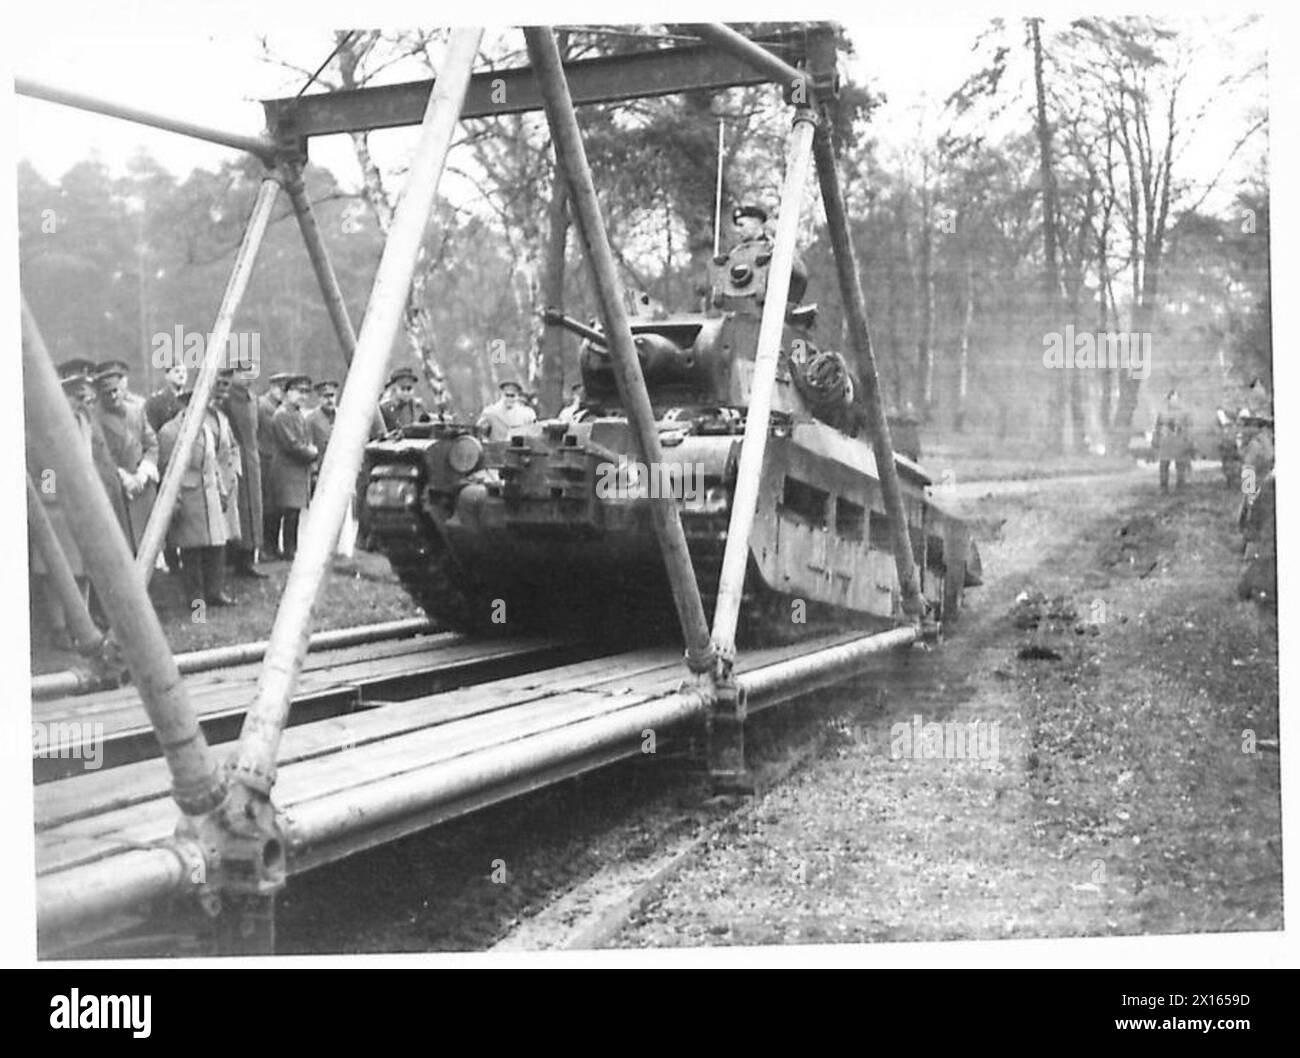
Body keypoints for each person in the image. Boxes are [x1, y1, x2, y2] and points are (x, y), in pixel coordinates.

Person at [158, 387, 239, 609]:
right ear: (184, 406)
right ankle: (196, 601)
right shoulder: (169, 432)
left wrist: (221, 490)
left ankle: (215, 592)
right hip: (188, 497)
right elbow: (166, 470)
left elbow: (212, 463)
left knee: (216, 547)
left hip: (210, 494)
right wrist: (174, 501)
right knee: (192, 552)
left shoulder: (204, 428)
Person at [92, 359, 159, 553]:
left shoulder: (136, 411)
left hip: (142, 491)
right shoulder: (94, 417)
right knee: (122, 551)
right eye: (107, 393)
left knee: (148, 549)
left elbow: (152, 444)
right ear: (99, 394)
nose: (113, 397)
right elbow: (99, 457)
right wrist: (124, 477)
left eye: (116, 391)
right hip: (116, 492)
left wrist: (142, 474)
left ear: (122, 388)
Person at [220, 363, 266, 578]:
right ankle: (234, 558)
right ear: (235, 374)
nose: (249, 376)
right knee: (237, 509)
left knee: (253, 510)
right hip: (234, 461)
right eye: (244, 372)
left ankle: (249, 558)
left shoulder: (253, 399)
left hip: (252, 460)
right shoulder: (226, 399)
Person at [267, 375, 319, 561]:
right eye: (299, 392)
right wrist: (312, 453)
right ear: (288, 393)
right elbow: (292, 444)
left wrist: (310, 450)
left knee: (293, 512)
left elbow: (305, 440)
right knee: (284, 511)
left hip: (296, 470)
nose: (303, 396)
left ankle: (289, 548)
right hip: (286, 469)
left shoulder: (298, 414)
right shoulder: (282, 415)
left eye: (306, 392)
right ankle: (277, 549)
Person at [259, 372, 291, 552]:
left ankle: (272, 545)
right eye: (279, 387)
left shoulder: (283, 408)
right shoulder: (262, 406)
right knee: (268, 506)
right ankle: (266, 546)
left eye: (284, 388)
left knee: (278, 506)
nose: (281, 392)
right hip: (264, 459)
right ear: (272, 387)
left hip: (278, 462)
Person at [1152, 390, 1194, 492]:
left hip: (1180, 442)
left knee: (1180, 466)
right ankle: (1163, 486)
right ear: (1168, 400)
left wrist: (1189, 442)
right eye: (1171, 399)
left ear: (1179, 400)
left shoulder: (1185, 413)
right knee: (1164, 465)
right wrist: (1155, 440)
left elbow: (1189, 428)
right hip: (1166, 442)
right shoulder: (1162, 413)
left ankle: (1180, 486)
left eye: (1176, 399)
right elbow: (1157, 427)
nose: (1174, 401)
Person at [307, 379, 339, 493]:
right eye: (325, 397)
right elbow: (308, 446)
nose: (329, 400)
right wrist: (314, 472)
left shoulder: (342, 416)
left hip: (340, 469)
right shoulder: (311, 419)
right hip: (321, 470)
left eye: (332, 396)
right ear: (319, 399)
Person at [145, 360, 187, 433]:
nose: (181, 375)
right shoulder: (156, 402)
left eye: (184, 372)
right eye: (177, 371)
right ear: (167, 376)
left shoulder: (191, 399)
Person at [379, 366, 426, 431]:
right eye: (402, 389)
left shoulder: (417, 406)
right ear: (394, 389)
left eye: (409, 388)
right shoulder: (384, 409)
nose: (406, 393)